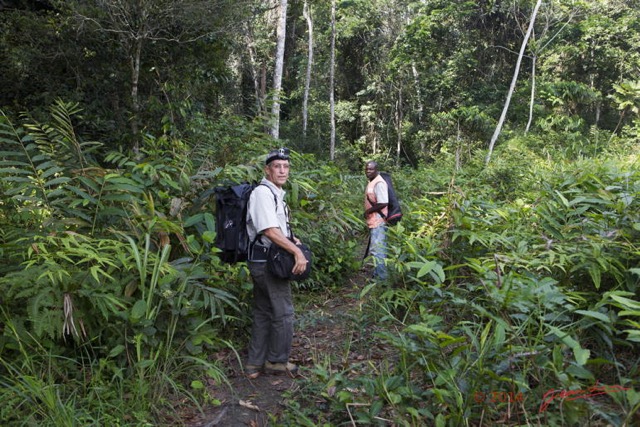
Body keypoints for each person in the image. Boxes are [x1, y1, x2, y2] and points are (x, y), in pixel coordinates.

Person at [244, 148, 307, 379]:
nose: (282, 170)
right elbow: (269, 230)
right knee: (283, 313)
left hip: (262, 260)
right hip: (268, 263)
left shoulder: (275, 193)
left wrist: (292, 239)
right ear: (267, 170)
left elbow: (276, 228)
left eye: (286, 166)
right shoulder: (263, 193)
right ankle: (276, 362)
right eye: (277, 166)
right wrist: (297, 253)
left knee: (263, 310)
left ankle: (254, 363)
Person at [364, 161, 389, 282]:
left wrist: (368, 211)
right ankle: (377, 274)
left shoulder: (379, 183)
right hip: (374, 220)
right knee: (376, 248)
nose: (368, 171)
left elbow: (383, 202)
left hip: (378, 221)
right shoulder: (372, 181)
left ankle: (381, 278)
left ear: (376, 170)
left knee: (378, 249)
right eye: (367, 169)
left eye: (371, 169)